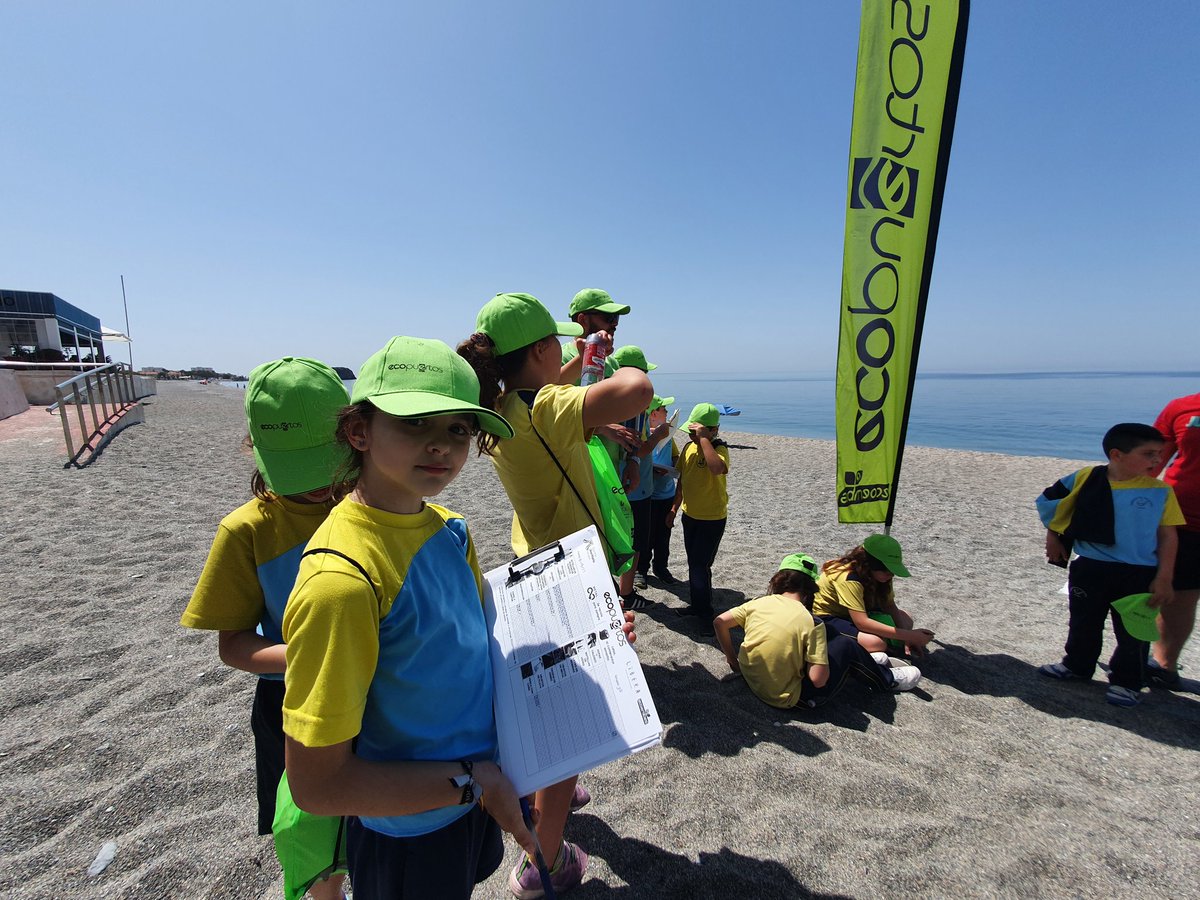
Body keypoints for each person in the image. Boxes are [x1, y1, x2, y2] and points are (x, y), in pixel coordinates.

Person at [280, 336, 537, 899]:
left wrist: (584, 643)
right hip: (409, 828)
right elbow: (319, 787)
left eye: (458, 429)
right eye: (416, 422)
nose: (441, 446)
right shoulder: (341, 582)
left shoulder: (450, 528)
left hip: (473, 792)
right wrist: (474, 782)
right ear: (359, 432)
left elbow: (475, 645)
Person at [457, 293, 649, 899]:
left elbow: (548, 393)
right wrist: (609, 361)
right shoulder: (549, 408)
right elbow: (638, 390)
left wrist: (577, 361)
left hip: (530, 557)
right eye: (558, 345)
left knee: (543, 694)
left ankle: (544, 790)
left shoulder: (502, 409)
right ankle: (545, 861)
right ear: (542, 349)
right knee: (571, 718)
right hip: (573, 574)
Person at [181, 357, 349, 900]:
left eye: (327, 469)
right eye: (300, 473)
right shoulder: (246, 529)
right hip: (289, 704)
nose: (320, 490)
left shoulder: (372, 505)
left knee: (369, 823)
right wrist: (306, 657)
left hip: (378, 692)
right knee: (310, 837)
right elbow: (233, 644)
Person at [1036, 422, 1183, 708]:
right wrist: (1054, 536)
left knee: (1133, 630)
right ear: (1117, 454)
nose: (1157, 460)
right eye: (1149, 454)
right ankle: (1077, 665)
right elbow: (1052, 502)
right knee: (1083, 621)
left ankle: (1127, 681)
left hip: (1138, 572)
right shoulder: (1085, 477)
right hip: (1090, 565)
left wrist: (1164, 577)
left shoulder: (1160, 491)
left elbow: (1168, 536)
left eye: (1160, 454)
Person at [714, 554, 922, 708]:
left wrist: (733, 660)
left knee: (831, 638)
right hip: (787, 698)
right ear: (810, 588)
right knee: (845, 645)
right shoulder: (810, 622)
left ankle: (866, 661)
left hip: (752, 679)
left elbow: (720, 622)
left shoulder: (758, 602)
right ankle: (886, 679)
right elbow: (818, 680)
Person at [811, 534, 934, 660]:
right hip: (829, 617)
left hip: (855, 612)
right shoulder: (848, 577)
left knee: (906, 619)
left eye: (893, 571)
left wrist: (907, 638)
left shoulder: (881, 575)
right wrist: (909, 636)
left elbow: (889, 605)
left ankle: (882, 648)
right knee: (876, 643)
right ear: (871, 565)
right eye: (887, 571)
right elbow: (862, 623)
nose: (891, 575)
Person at [605, 346, 664, 603]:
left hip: (606, 477)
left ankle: (612, 588)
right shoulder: (635, 401)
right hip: (633, 484)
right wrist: (660, 436)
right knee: (635, 540)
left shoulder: (604, 399)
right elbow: (637, 446)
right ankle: (626, 593)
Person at [1150, 393, 1200, 687]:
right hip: (1182, 519)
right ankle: (1163, 666)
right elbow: (1149, 460)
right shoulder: (1183, 407)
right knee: (1179, 595)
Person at [668, 402, 730, 630]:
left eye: (697, 432)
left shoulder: (719, 449)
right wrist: (674, 509)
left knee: (699, 565)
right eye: (691, 432)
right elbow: (683, 480)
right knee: (695, 564)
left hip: (712, 519)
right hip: (690, 515)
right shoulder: (688, 448)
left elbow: (716, 468)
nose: (692, 436)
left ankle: (704, 615)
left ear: (713, 431)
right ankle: (697, 606)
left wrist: (705, 440)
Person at [639, 395, 679, 585]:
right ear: (654, 414)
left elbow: (675, 457)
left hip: (666, 493)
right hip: (648, 494)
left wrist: (673, 467)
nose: (668, 413)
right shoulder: (644, 434)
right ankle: (641, 570)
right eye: (664, 409)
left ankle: (661, 567)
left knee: (664, 535)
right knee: (645, 536)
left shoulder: (669, 437)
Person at [558, 288, 631, 384]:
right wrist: (584, 358)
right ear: (583, 319)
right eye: (608, 317)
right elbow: (545, 393)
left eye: (616, 316)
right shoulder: (561, 357)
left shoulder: (611, 361)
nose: (615, 323)